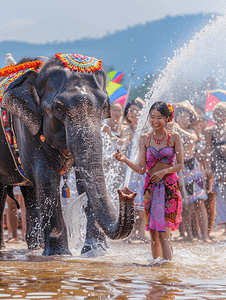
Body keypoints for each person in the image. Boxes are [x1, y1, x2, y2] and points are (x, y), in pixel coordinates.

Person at [114, 101, 183, 261]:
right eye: (152, 117)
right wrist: (124, 159)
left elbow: (180, 164)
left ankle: (167, 269)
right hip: (150, 188)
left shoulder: (174, 137)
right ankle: (156, 269)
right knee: (153, 232)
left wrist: (164, 171)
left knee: (164, 232)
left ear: (167, 118)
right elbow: (141, 169)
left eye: (159, 118)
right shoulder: (145, 138)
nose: (155, 121)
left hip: (169, 187)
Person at [173, 101, 209, 242]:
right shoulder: (172, 131)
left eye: (187, 118)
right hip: (180, 169)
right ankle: (188, 234)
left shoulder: (192, 131)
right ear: (177, 118)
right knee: (187, 205)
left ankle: (204, 235)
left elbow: (193, 139)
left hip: (193, 168)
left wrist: (178, 128)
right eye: (182, 117)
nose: (184, 120)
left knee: (199, 202)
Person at [205, 103, 226, 231]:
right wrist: (208, 167)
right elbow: (208, 149)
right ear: (213, 115)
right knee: (219, 193)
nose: (219, 115)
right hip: (217, 164)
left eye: (222, 112)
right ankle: (223, 223)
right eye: (216, 113)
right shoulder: (209, 131)